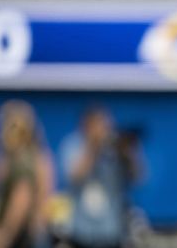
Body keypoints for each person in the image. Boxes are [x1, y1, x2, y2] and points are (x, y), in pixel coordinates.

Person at [59, 105, 140, 248]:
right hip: (80, 233)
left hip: (112, 233)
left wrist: (129, 154)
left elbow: (137, 177)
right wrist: (93, 146)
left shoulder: (116, 147)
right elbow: (75, 176)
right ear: (85, 125)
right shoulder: (72, 144)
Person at [0, 100, 54, 248]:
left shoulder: (24, 160)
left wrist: (5, 234)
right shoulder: (34, 156)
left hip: (22, 235)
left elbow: (21, 199)